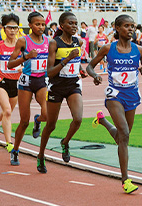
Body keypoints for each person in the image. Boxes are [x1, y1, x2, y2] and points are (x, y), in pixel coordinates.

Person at [86, 14, 142, 194]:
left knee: (123, 136)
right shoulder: (108, 48)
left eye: (133, 26)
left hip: (132, 95)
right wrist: (96, 76)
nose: (131, 29)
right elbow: (89, 66)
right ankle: (125, 180)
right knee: (123, 132)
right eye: (127, 26)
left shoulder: (139, 50)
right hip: (114, 94)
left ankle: (102, 121)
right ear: (116, 28)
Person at [36, 11, 87, 173]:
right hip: (56, 87)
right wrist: (67, 59)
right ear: (62, 25)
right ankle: (41, 155)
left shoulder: (77, 41)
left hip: (72, 85)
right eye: (70, 23)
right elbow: (49, 72)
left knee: (78, 119)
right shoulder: (54, 43)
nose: (74, 26)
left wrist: (81, 69)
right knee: (51, 125)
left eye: (75, 23)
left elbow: (76, 61)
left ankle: (65, 142)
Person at [8, 11, 49, 166]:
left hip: (42, 81)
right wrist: (26, 57)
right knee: (24, 121)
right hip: (26, 82)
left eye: (43, 24)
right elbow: (10, 64)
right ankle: (15, 150)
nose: (40, 27)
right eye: (37, 24)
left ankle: (38, 120)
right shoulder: (22, 41)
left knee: (47, 114)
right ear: (30, 25)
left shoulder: (48, 41)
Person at [0, 13, 22, 154]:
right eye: (9, 28)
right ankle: (9, 144)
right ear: (4, 28)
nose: (12, 31)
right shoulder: (0, 46)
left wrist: (22, 68)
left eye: (15, 28)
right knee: (7, 111)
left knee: (6, 113)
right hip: (2, 82)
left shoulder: (22, 46)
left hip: (17, 83)